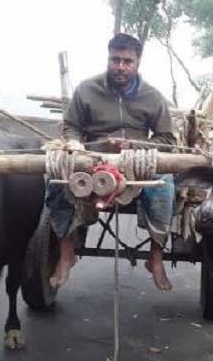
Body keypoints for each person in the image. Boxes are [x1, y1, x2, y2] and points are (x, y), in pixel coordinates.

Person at [46, 33, 176, 291]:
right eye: (115, 59)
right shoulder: (86, 90)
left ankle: (156, 256)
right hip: (92, 159)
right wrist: (74, 145)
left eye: (127, 61)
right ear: (108, 58)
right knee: (56, 179)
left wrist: (135, 147)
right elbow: (71, 126)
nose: (120, 66)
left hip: (138, 162)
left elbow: (167, 139)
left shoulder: (153, 97)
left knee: (165, 183)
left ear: (137, 62)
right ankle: (65, 251)